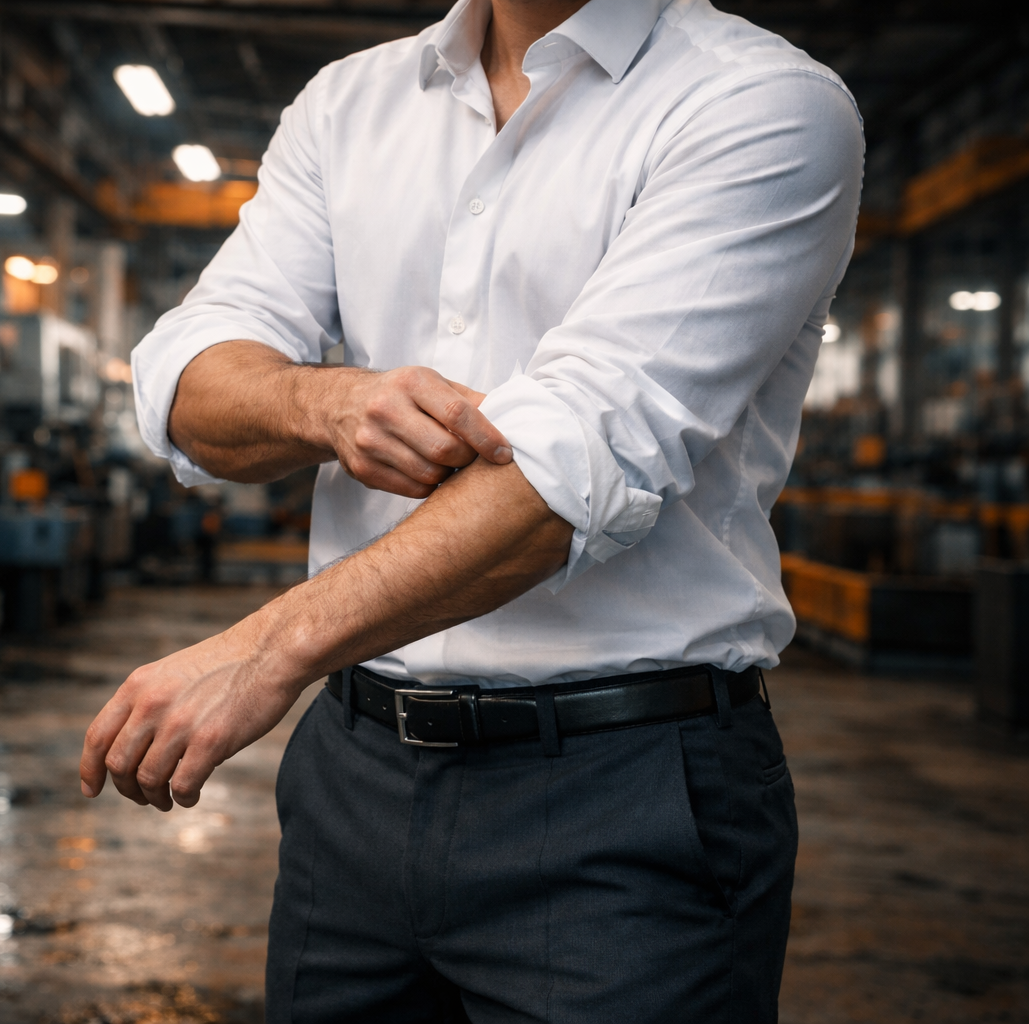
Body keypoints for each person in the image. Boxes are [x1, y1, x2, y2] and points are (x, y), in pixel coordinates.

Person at [80, 0, 863, 1019]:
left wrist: (272, 646)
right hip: (353, 775)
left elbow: (569, 468)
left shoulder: (758, 103)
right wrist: (326, 399)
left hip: (620, 797)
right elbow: (188, 375)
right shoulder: (350, 103)